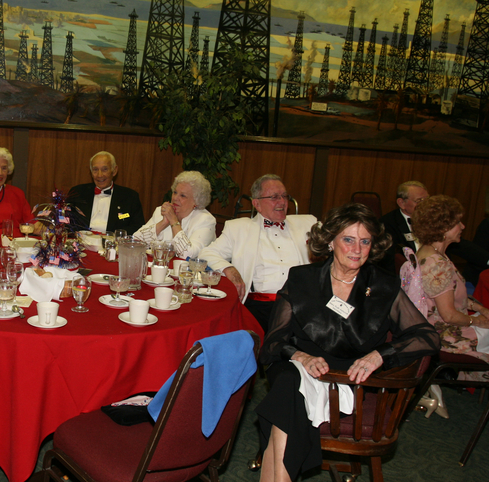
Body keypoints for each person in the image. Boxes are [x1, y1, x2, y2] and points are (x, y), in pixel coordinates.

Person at [257, 202, 439, 482]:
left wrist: (381, 355)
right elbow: (272, 343)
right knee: (289, 381)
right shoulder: (302, 279)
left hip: (348, 378)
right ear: (330, 241)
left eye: (365, 241)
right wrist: (301, 356)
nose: (357, 249)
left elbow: (427, 337)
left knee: (284, 397)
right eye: (348, 240)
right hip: (300, 368)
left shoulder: (382, 286)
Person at [199, 174, 317, 333]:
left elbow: (336, 242)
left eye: (284, 196)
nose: (282, 202)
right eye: (274, 197)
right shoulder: (238, 228)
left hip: (300, 305)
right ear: (257, 204)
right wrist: (229, 269)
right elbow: (206, 253)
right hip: (260, 307)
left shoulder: (308, 223)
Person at [411, 195, 489, 378]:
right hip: (445, 336)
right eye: (458, 223)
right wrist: (478, 321)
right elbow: (449, 315)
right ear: (442, 228)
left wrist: (480, 308)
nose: (463, 227)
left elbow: (449, 291)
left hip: (436, 327)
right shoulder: (437, 264)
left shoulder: (429, 252)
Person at [380, 180, 489, 281]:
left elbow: (462, 246)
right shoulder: (387, 224)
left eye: (427, 200)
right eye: (419, 201)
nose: (425, 205)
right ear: (401, 203)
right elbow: (388, 263)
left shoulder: (433, 219)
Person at [133, 171, 215, 259]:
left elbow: (188, 255)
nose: (175, 198)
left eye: (182, 196)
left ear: (196, 201)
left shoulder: (205, 220)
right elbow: (134, 242)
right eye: (175, 192)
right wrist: (163, 223)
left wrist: (173, 221)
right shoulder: (161, 212)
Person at [68, 151, 145, 235]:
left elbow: (138, 227)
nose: (99, 175)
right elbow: (65, 222)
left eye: (105, 169)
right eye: (95, 170)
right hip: (81, 244)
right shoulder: (77, 192)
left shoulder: (130, 196)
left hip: (113, 245)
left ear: (114, 171)